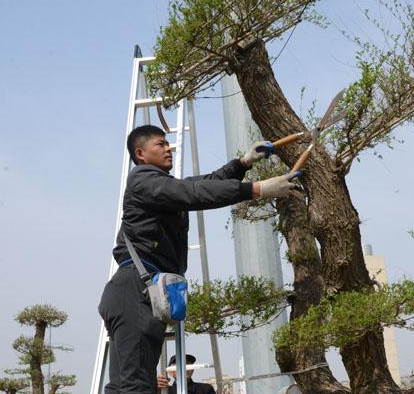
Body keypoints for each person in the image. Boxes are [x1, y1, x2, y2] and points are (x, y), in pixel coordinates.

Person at [98, 124, 298, 394]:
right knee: (136, 386)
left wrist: (242, 163)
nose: (168, 148)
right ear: (140, 154)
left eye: (167, 143)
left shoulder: (162, 186)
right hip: (136, 289)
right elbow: (194, 193)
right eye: (160, 144)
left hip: (135, 290)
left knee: (124, 386)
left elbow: (201, 184)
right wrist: (256, 189)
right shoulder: (143, 180)